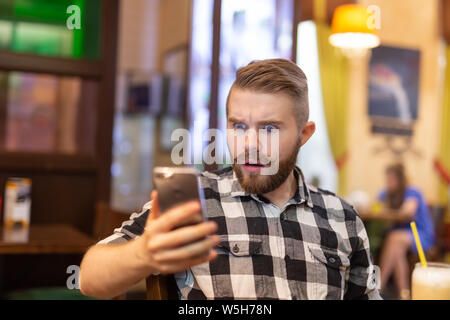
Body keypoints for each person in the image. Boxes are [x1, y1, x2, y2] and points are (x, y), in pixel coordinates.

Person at [79, 58, 381, 300]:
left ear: (304, 134)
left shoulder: (342, 217)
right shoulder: (195, 202)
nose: (250, 144)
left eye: (269, 129)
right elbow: (89, 278)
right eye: (238, 126)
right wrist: (143, 254)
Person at [376, 163, 435, 300]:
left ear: (400, 179)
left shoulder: (412, 191)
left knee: (393, 238)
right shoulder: (389, 193)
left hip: (420, 233)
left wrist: (388, 209)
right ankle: (404, 293)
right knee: (397, 250)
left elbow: (408, 212)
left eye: (392, 179)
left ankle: (379, 287)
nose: (388, 182)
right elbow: (377, 204)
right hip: (401, 235)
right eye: (387, 179)